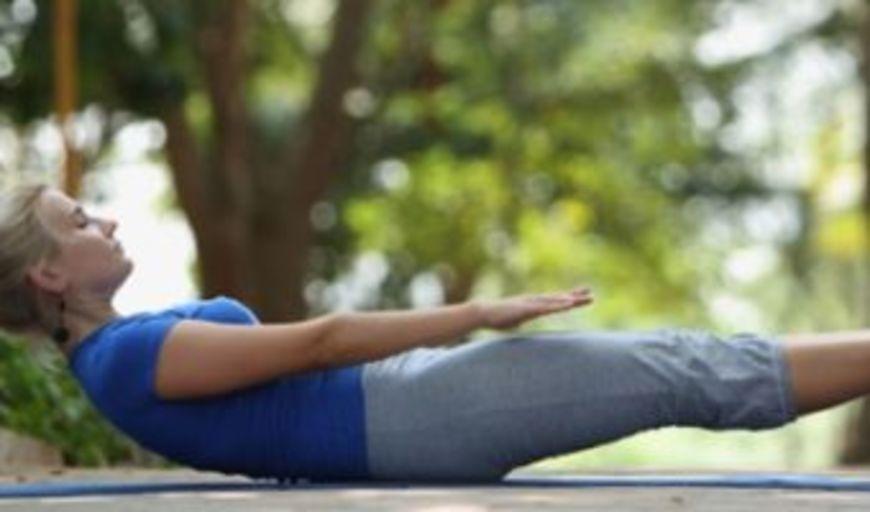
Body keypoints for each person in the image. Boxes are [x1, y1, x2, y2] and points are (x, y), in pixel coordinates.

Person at [0, 183, 865, 483]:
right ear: (49, 276)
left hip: (405, 410)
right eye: (79, 222)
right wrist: (478, 312)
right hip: (410, 417)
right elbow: (322, 343)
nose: (106, 221)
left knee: (688, 364)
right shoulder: (126, 359)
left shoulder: (120, 354)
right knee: (689, 369)